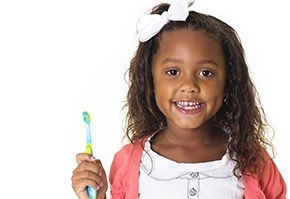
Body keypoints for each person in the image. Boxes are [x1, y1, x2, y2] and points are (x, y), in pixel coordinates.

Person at [71, 0, 287, 198]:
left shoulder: (253, 160)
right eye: (173, 72)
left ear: (229, 81)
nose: (189, 86)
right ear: (150, 80)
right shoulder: (128, 163)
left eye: (206, 73)